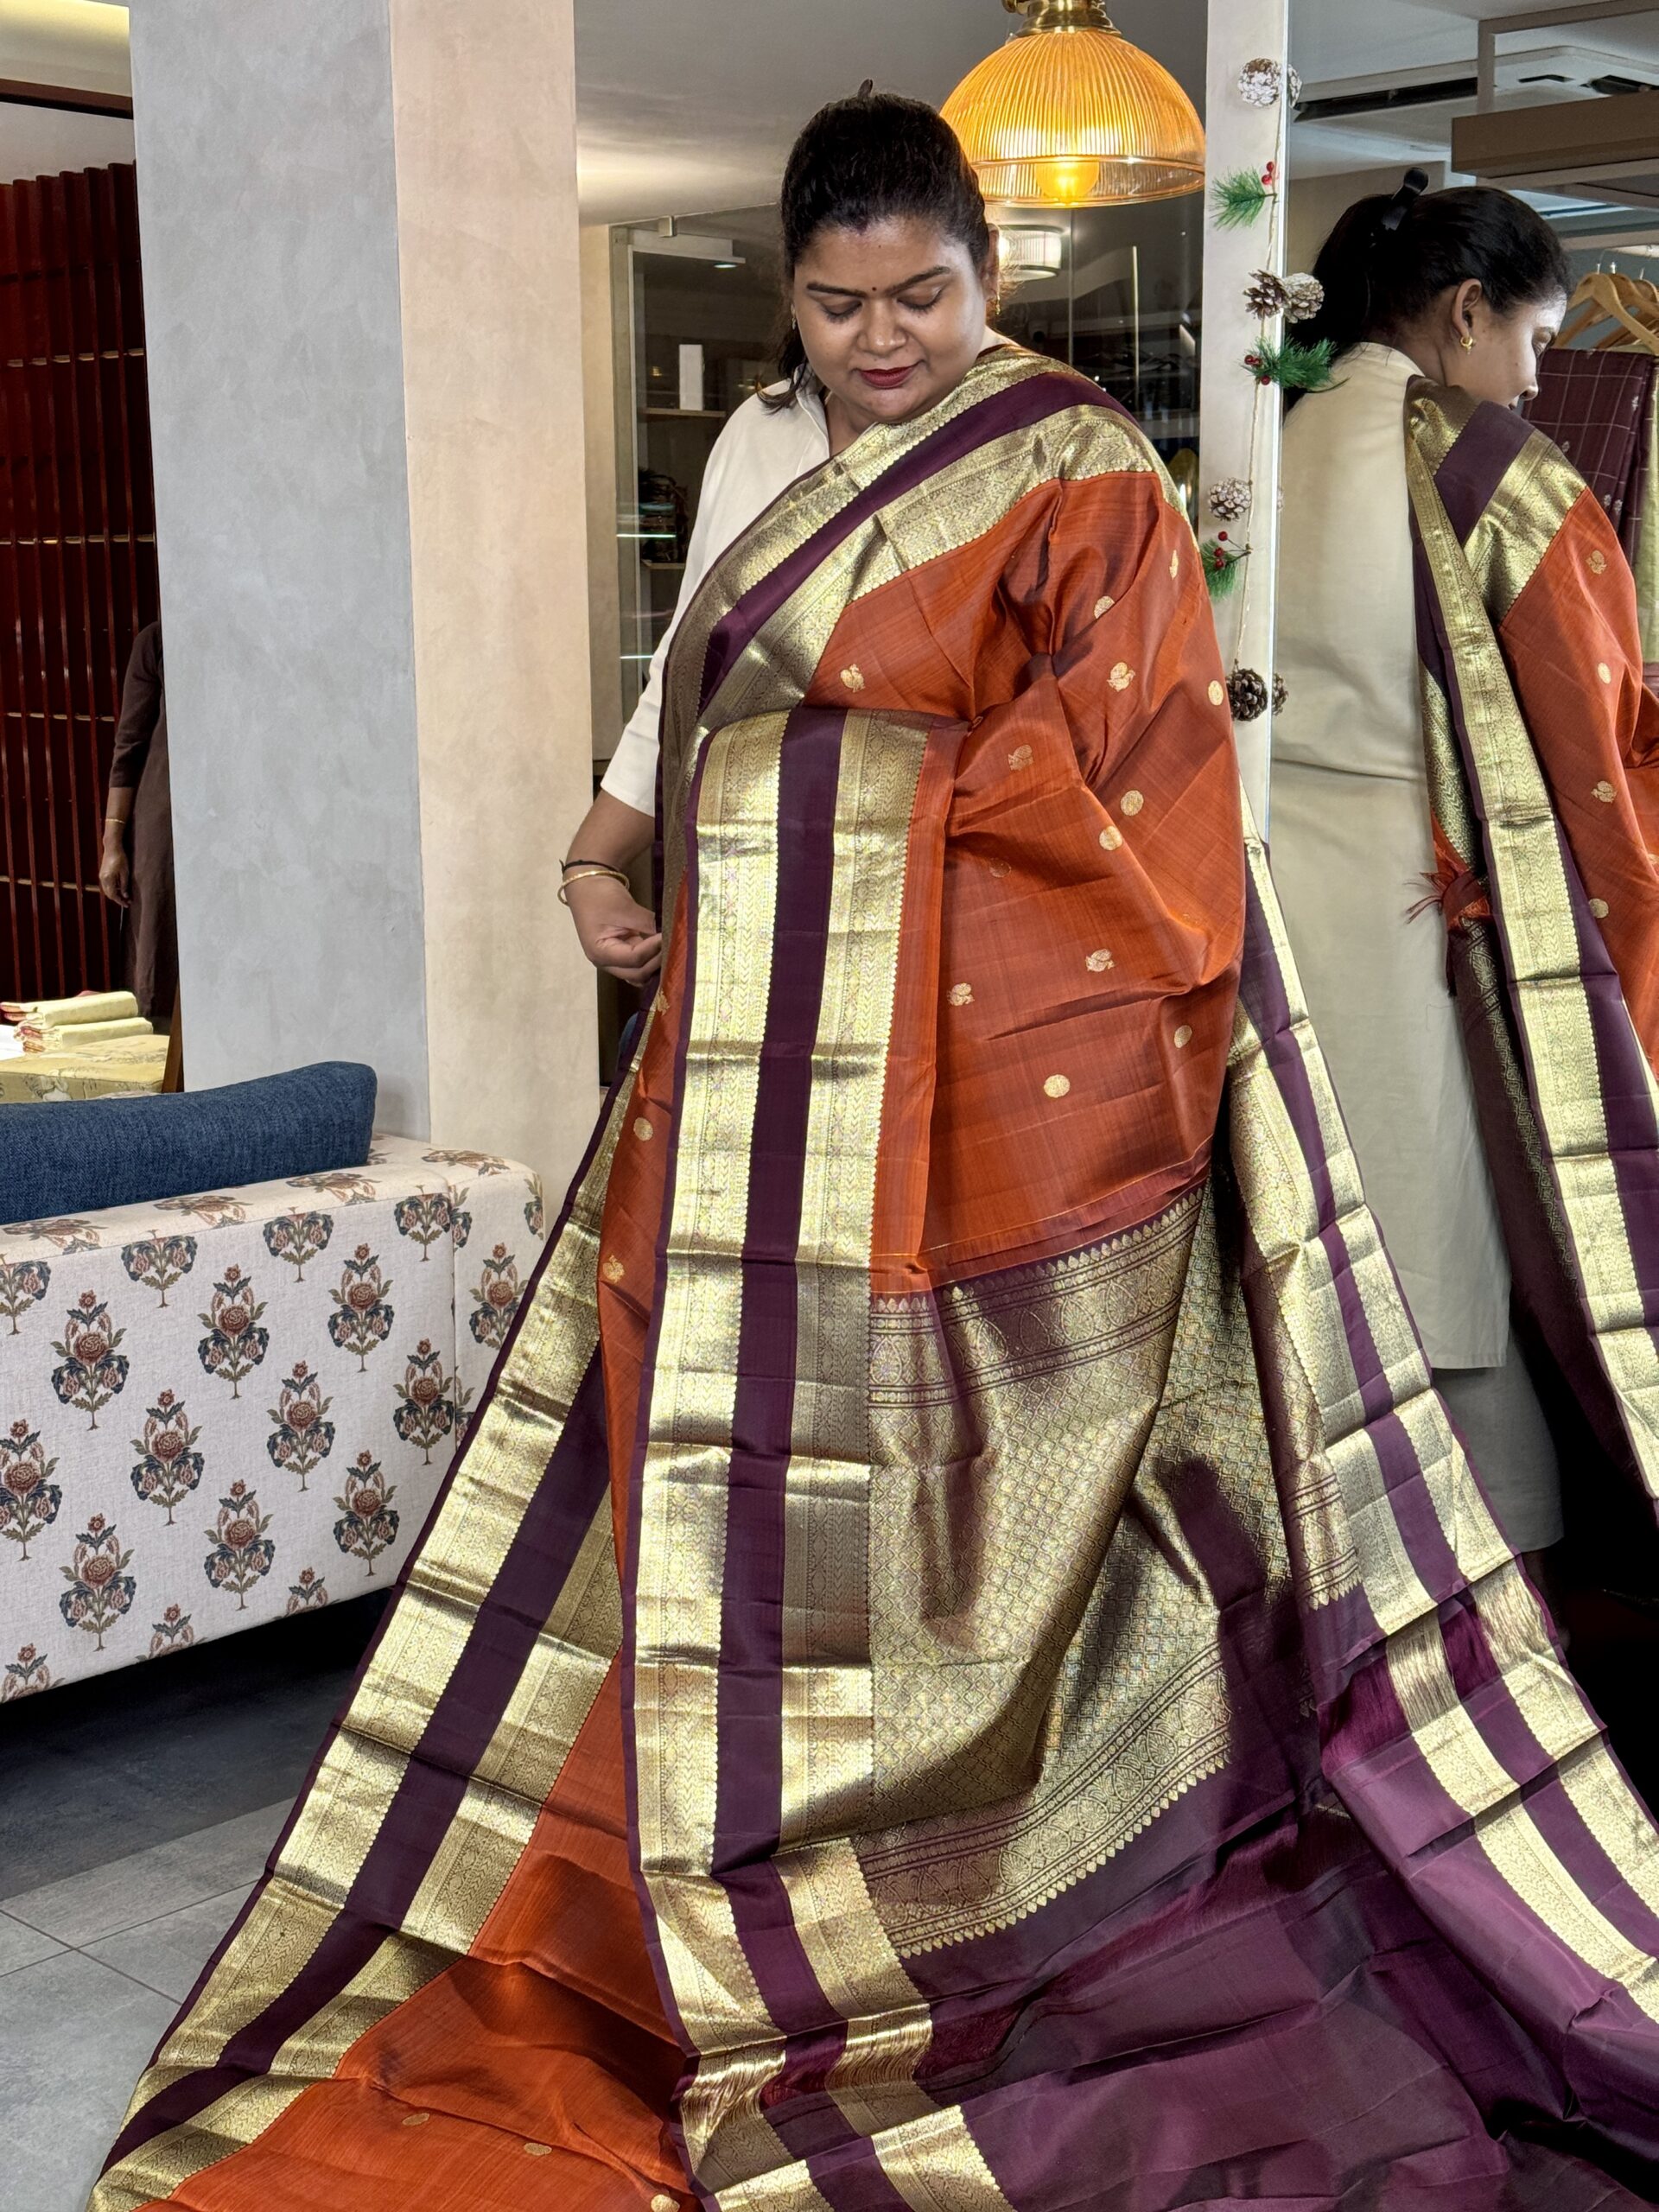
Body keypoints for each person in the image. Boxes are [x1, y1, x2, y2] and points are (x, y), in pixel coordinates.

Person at [96, 104, 1659, 2212]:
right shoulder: (764, 447)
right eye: (836, 305)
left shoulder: (1083, 464)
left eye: (920, 295)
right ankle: (691, 1848)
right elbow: (699, 696)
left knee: (981, 1499)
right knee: (688, 1460)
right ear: (787, 291)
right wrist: (618, 835)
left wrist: (797, 820)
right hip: (751, 1093)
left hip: (996, 1090)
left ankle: (958, 1868)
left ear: (985, 270)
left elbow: (1124, 784)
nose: (881, 339)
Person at [1272, 180, 1659, 1596]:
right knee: (1464, 1271)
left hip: (1279, 910)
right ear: (1464, 314)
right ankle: (1509, 1654)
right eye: (1538, 341)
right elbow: (1596, 749)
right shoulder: (1489, 464)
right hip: (1426, 911)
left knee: (1331, 1252)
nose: (1541, 378)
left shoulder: (1270, 449)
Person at [99, 619, 176, 1030]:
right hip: (162, 819)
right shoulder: (157, 641)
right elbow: (129, 745)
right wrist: (113, 844)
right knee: (158, 951)